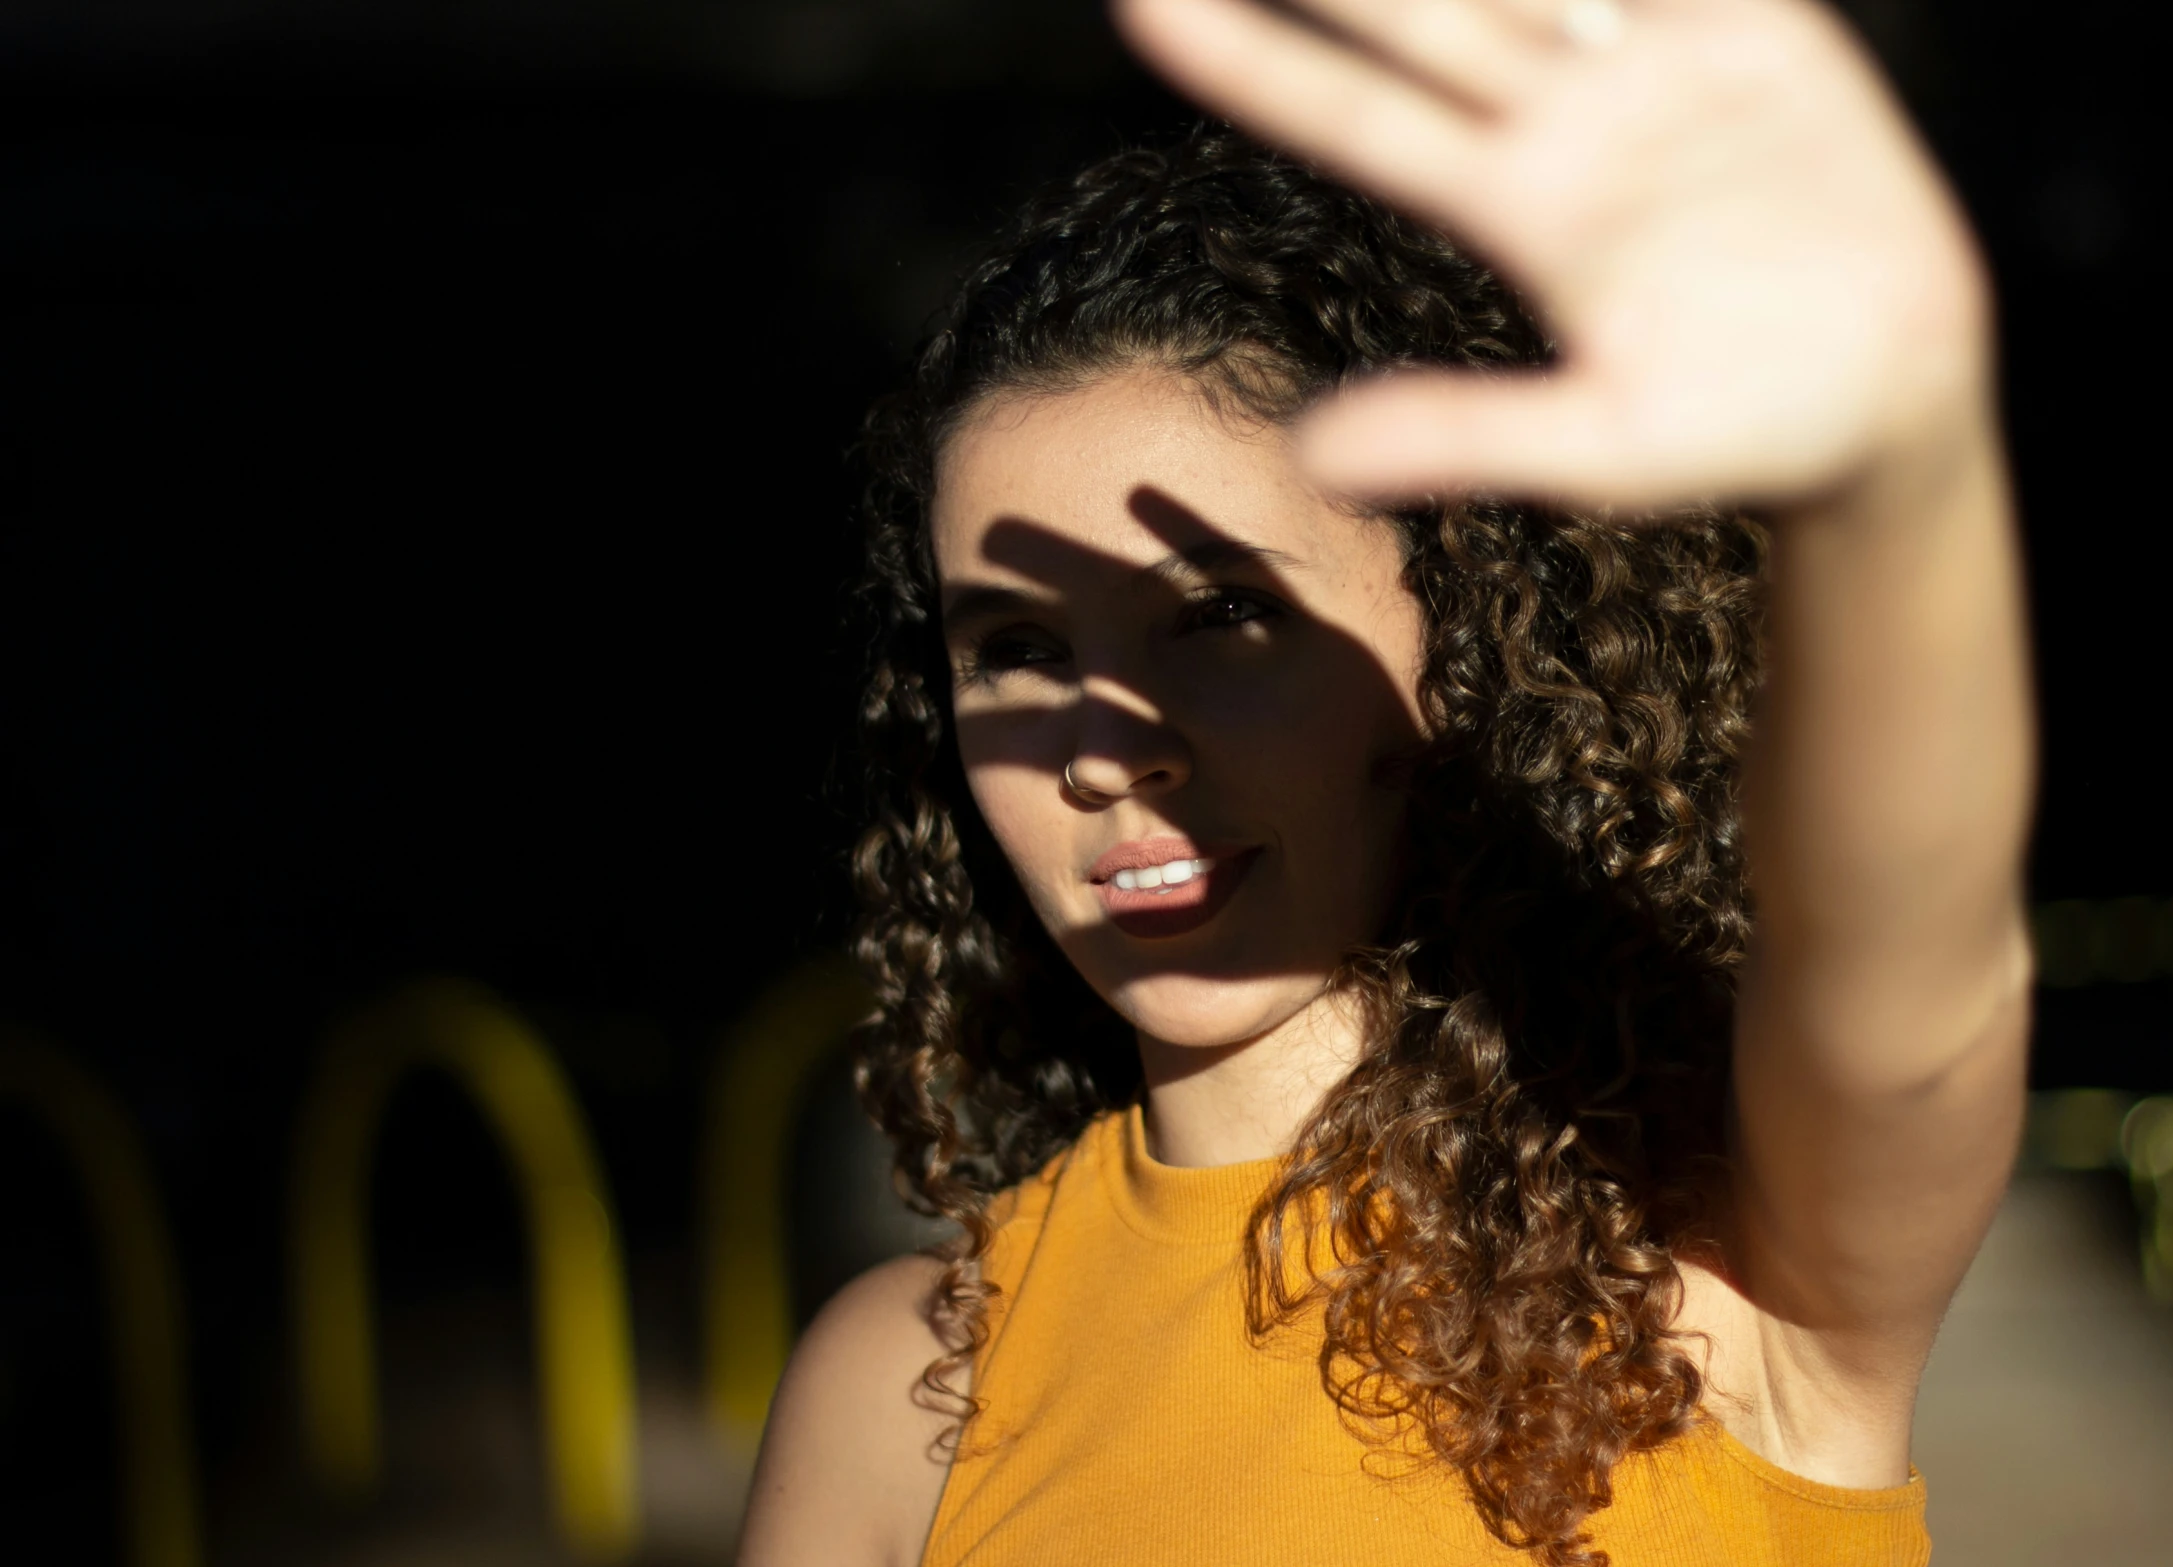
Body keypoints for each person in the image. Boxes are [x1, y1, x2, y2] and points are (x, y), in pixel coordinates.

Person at [739, 0, 2032, 1561]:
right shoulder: (903, 1397)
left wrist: (1902, 480)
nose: (1099, 742)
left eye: (1221, 614)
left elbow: (1917, 964)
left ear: (1460, 639)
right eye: (1013, 645)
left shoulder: (1726, 1260)